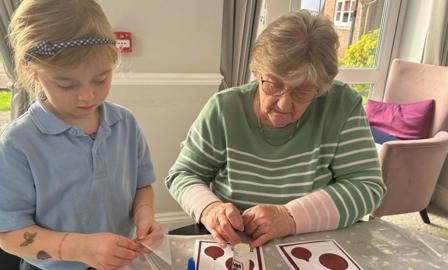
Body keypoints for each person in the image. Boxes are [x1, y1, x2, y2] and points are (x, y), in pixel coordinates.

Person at [165, 10, 386, 249]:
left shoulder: (341, 104)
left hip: (313, 240)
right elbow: (183, 175)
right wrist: (210, 209)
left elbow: (367, 185)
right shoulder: (224, 109)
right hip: (237, 242)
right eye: (273, 85)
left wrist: (290, 216)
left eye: (301, 92)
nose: (283, 104)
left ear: (321, 88)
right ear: (258, 72)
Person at [0, 1, 161, 269]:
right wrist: (81, 248)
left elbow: (141, 185)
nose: (88, 96)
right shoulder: (18, 144)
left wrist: (144, 216)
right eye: (67, 84)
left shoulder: (124, 124)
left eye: (101, 79)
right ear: (32, 70)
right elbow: (9, 234)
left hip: (117, 262)